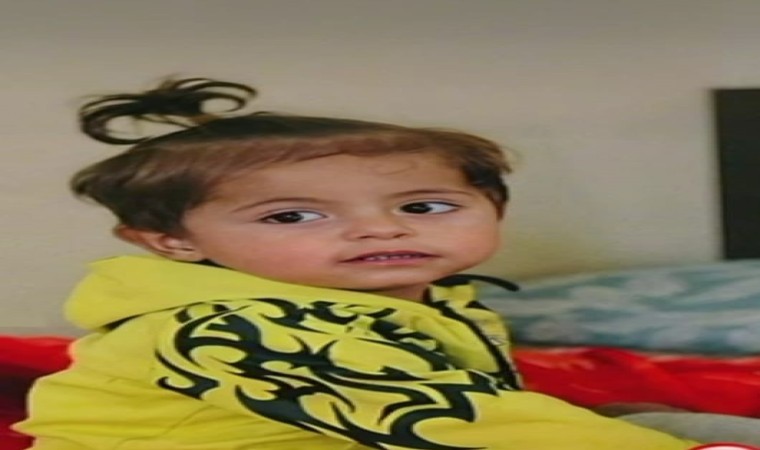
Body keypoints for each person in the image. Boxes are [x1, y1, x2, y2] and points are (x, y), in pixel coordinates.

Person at [12, 76, 723, 450]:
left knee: (643, 418)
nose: (380, 228)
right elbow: (454, 419)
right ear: (173, 242)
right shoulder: (232, 328)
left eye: (425, 206)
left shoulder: (414, 300)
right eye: (293, 216)